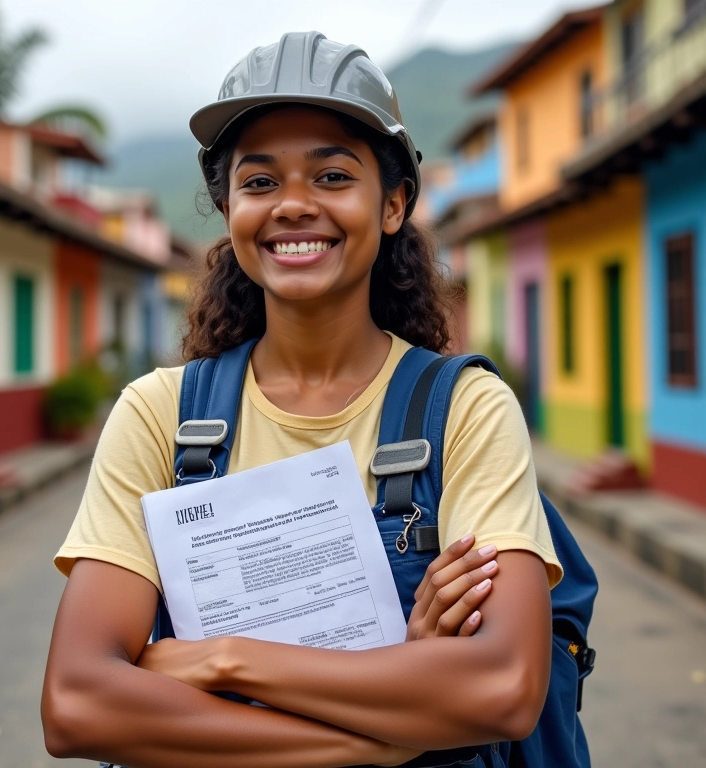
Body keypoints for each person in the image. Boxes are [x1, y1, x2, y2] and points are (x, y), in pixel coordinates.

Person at [41, 32, 562, 768]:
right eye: (258, 183)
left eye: (332, 176)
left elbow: (505, 686)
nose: (292, 206)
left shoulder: (465, 410)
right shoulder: (158, 414)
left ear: (393, 205)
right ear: (228, 211)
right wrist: (391, 732)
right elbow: (76, 703)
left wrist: (222, 661)